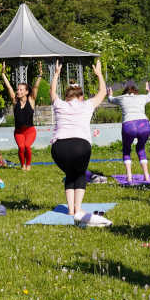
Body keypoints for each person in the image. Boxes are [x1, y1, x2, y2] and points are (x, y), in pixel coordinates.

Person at [49, 60, 106, 225]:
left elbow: (52, 92)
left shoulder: (60, 104)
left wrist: (56, 75)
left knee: (70, 175)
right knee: (80, 175)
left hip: (59, 148)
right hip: (80, 145)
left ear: (67, 97)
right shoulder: (87, 105)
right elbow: (102, 92)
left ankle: (70, 209)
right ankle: (78, 209)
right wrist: (99, 74)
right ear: (81, 97)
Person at [106, 82, 150, 180]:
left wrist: (110, 93)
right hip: (144, 125)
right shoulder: (141, 97)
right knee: (141, 148)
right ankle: (147, 176)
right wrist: (148, 89)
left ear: (125, 92)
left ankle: (129, 176)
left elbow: (110, 99)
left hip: (129, 125)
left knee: (126, 149)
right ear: (136, 92)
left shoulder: (122, 98)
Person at [1, 66, 40, 171]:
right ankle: (22, 165)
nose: (18, 91)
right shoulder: (15, 102)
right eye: (17, 89)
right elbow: (9, 87)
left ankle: (28, 165)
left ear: (26, 92)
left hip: (30, 131)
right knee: (21, 147)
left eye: (21, 89)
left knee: (27, 146)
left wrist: (39, 76)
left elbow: (35, 88)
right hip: (18, 132)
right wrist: (3, 74)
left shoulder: (31, 100)